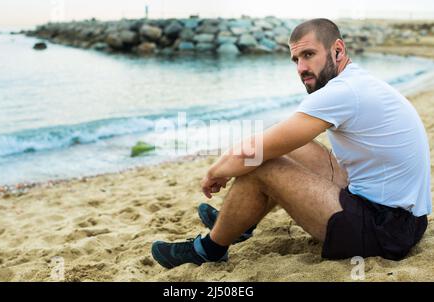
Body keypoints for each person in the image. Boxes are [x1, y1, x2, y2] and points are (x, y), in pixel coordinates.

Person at [151, 18, 431, 269]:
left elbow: (253, 151)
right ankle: (240, 222)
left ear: (338, 50)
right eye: (295, 59)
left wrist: (215, 172)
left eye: (308, 55)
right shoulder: (355, 81)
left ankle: (209, 249)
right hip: (406, 218)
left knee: (261, 163)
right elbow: (276, 139)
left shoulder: (341, 92)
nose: (301, 68)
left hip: (385, 229)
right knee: (290, 146)